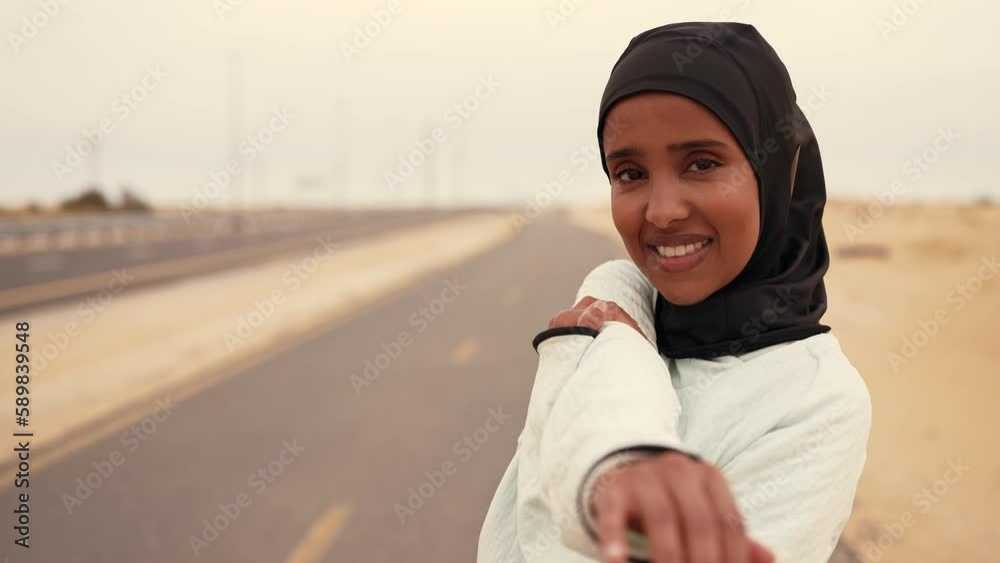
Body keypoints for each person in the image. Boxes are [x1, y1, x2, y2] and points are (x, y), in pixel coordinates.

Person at [477, 21, 872, 563]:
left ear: (774, 171)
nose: (662, 211)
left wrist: (616, 439)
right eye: (630, 172)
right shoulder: (620, 295)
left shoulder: (817, 400)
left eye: (702, 163)